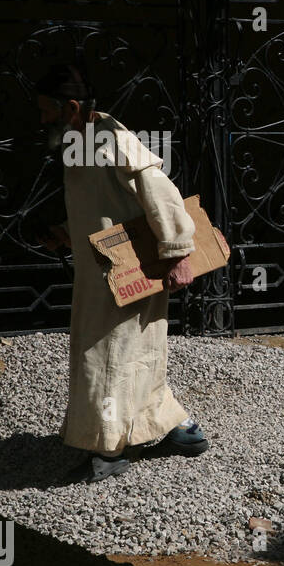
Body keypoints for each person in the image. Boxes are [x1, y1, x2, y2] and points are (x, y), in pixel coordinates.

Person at [34, 63, 210, 483]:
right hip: (105, 271)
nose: (41, 120)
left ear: (71, 107)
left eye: (46, 110)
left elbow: (160, 191)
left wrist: (178, 252)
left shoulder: (112, 137)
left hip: (133, 269)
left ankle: (107, 453)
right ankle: (175, 426)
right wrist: (66, 234)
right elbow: (102, 205)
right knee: (135, 355)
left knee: (106, 357)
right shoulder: (80, 142)